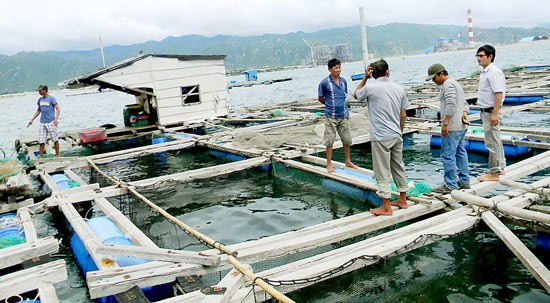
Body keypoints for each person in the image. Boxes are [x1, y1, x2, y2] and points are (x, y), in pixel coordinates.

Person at [353, 59, 409, 216]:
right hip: (396, 134)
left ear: (373, 73)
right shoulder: (399, 88)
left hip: (380, 136)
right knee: (398, 166)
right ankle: (403, 200)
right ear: (388, 72)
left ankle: (386, 206)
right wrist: (400, 130)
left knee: (382, 171)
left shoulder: (371, 87)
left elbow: (356, 94)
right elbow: (403, 113)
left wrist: (365, 78)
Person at [426, 63, 471, 194]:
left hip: (452, 127)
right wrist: (464, 114)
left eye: (434, 78)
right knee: (460, 152)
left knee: (448, 155)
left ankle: (450, 184)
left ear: (441, 74)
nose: (433, 81)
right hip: (460, 126)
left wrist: (445, 123)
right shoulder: (456, 83)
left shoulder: (447, 85)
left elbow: (451, 103)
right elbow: (464, 104)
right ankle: (464, 181)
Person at [318, 58, 358, 173]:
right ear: (330, 69)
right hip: (331, 116)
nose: (338, 70)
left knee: (347, 139)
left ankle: (348, 161)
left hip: (344, 115)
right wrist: (330, 105)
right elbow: (320, 98)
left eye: (339, 67)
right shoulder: (324, 83)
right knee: (329, 140)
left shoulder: (344, 81)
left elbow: (344, 95)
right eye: (336, 68)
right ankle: (329, 163)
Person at [475, 45, 506, 181]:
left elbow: (498, 94)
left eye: (481, 56)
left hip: (490, 111)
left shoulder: (494, 72)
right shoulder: (485, 72)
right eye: (477, 56)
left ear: (490, 56)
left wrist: (495, 114)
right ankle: (500, 168)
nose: (478, 58)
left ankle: (495, 172)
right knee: (494, 140)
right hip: (486, 110)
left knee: (492, 141)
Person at [28, 85, 61, 157]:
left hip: (51, 122)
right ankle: (41, 156)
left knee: (55, 139)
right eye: (38, 90)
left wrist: (56, 119)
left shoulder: (52, 99)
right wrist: (32, 119)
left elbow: (58, 109)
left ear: (45, 90)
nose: (39, 92)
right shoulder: (40, 100)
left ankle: (57, 155)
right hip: (42, 123)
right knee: (41, 141)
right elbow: (38, 110)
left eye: (40, 90)